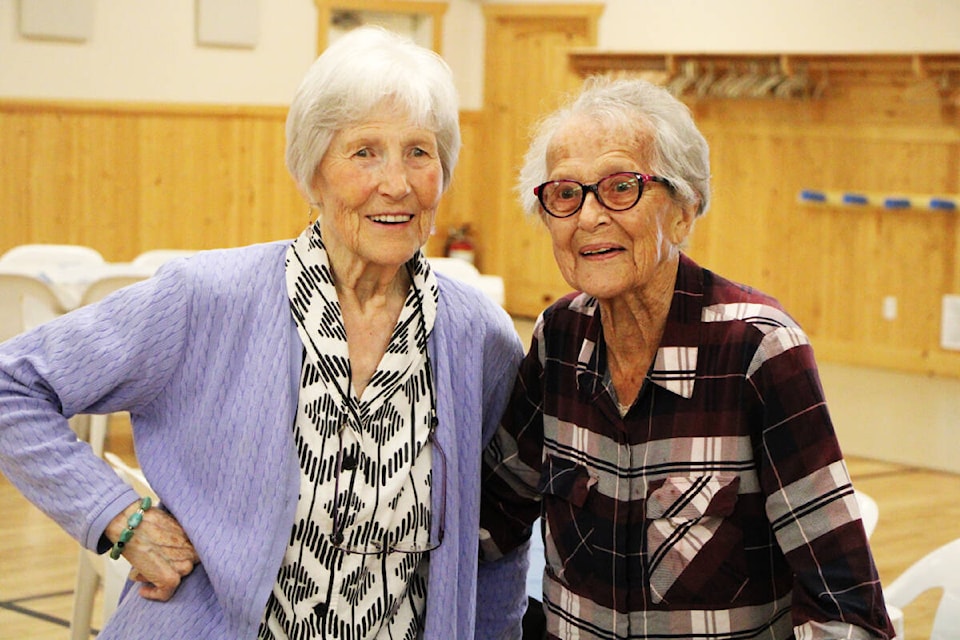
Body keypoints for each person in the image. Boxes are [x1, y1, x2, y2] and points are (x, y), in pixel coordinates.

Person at [0, 26, 527, 639]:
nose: (397, 183)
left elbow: (500, 542)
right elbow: (13, 385)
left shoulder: (478, 338)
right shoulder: (208, 298)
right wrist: (118, 516)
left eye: (419, 151)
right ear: (313, 172)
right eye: (364, 152)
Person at [479, 76, 896, 639]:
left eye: (621, 187)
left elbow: (848, 609)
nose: (588, 216)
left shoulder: (759, 350)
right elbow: (491, 517)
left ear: (684, 209)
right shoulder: (559, 338)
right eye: (565, 193)